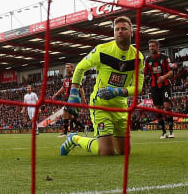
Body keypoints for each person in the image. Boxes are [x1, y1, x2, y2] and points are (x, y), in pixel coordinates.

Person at [60, 16, 145, 156]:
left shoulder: (138, 58)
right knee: (106, 152)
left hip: (121, 107)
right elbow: (80, 67)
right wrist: (74, 92)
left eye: (124, 29)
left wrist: (117, 91)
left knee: (124, 152)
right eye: (117, 29)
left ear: (132, 32)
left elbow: (138, 88)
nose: (120, 31)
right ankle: (74, 139)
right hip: (100, 105)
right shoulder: (102, 50)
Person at [144, 39, 175, 139]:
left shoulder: (165, 58)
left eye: (153, 46)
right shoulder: (148, 60)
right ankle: (163, 132)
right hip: (154, 87)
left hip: (165, 85)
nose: (151, 48)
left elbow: (171, 72)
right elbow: (145, 74)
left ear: (158, 47)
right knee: (158, 110)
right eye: (150, 46)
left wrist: (163, 77)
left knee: (166, 106)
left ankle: (171, 131)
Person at [51, 63, 86, 136]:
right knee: (69, 116)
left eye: (68, 67)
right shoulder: (66, 78)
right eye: (66, 68)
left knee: (65, 112)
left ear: (72, 68)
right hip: (67, 98)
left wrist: (83, 99)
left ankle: (65, 133)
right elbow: (63, 88)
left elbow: (81, 88)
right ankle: (82, 126)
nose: (67, 69)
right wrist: (56, 94)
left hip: (74, 98)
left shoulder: (75, 77)